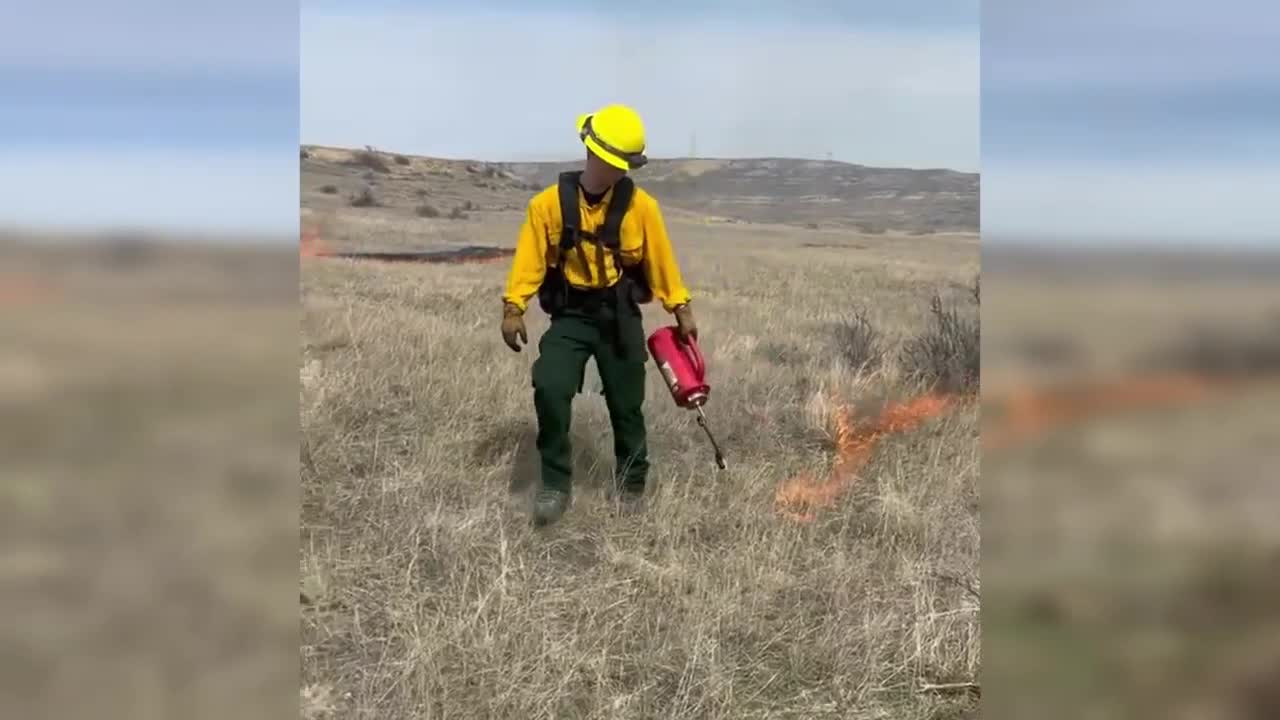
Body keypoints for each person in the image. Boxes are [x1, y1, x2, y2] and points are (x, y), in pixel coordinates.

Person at [500, 103, 697, 526]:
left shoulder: (642, 208)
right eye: (614, 163)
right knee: (550, 386)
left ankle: (631, 485)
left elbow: (661, 260)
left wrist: (679, 306)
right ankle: (555, 485)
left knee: (627, 405)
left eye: (625, 165)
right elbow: (529, 260)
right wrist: (513, 307)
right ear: (592, 152)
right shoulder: (547, 206)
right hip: (571, 316)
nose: (620, 171)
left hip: (619, 315)